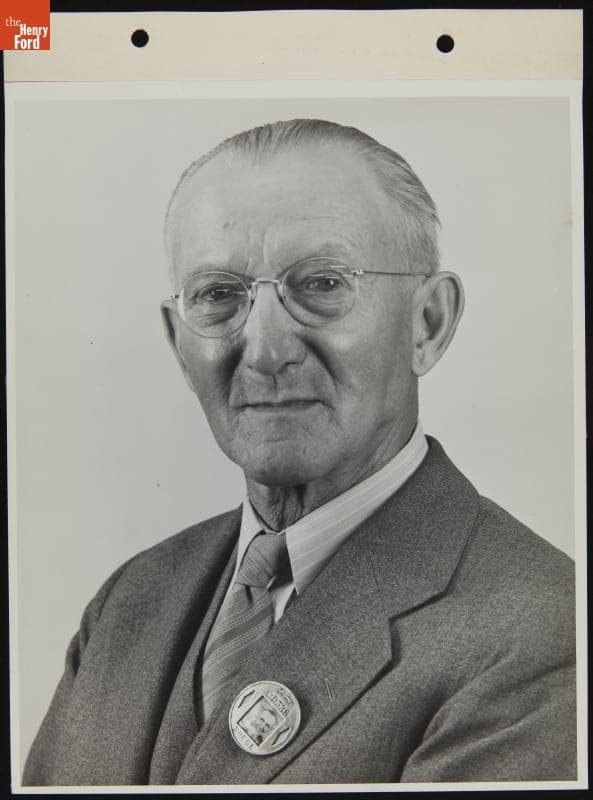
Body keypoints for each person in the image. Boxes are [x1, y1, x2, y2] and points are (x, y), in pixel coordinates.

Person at [23, 119, 576, 786]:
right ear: (179, 344)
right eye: (218, 296)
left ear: (426, 324)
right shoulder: (128, 602)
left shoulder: (546, 627)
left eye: (319, 285)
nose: (262, 349)